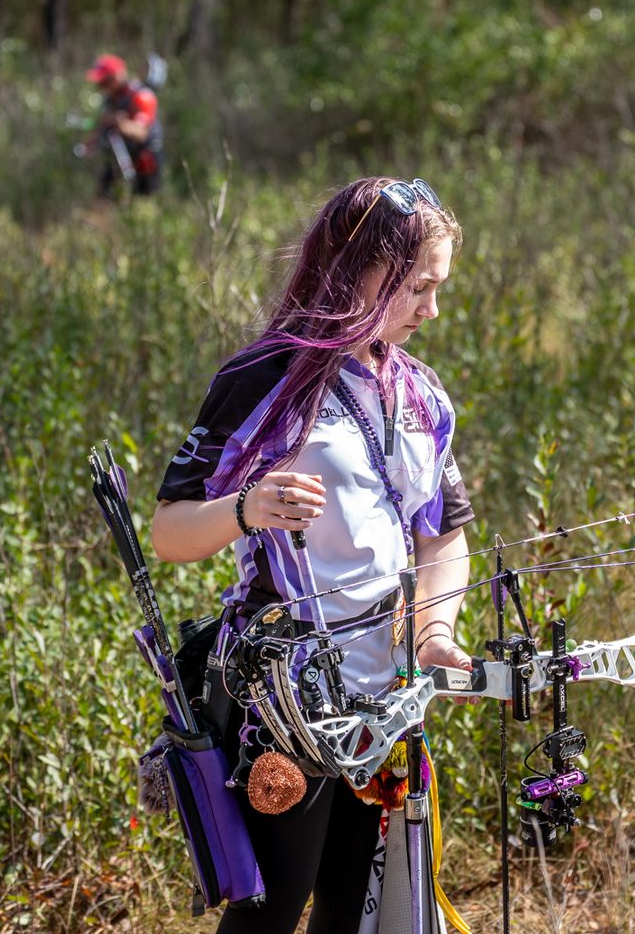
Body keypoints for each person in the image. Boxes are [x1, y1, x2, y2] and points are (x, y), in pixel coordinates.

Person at [152, 177, 474, 934]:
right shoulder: (264, 379)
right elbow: (169, 531)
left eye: (439, 287)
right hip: (284, 696)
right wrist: (244, 509)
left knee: (358, 908)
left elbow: (445, 536)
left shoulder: (422, 395)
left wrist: (433, 634)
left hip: (388, 696)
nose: (432, 310)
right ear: (362, 271)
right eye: (419, 287)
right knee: (270, 907)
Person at [80, 52, 164, 197]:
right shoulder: (109, 100)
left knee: (144, 204)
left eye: (105, 82)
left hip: (145, 164)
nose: (102, 87)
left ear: (117, 76)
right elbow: (102, 128)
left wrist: (119, 123)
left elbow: (141, 132)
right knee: (103, 198)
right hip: (118, 160)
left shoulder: (141, 96)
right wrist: (90, 145)